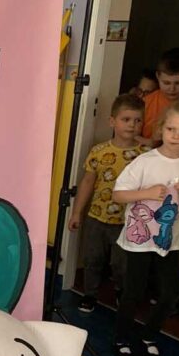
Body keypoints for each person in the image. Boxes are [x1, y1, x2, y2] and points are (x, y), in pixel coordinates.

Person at [111, 98, 179, 356]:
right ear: (161, 128)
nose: (176, 135)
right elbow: (118, 194)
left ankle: (148, 336)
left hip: (170, 240)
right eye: (171, 129)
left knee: (170, 293)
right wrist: (146, 193)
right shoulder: (145, 161)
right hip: (140, 239)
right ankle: (121, 338)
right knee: (134, 291)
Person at [68, 93, 147, 313]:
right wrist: (77, 213)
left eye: (137, 120)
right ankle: (90, 294)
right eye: (126, 119)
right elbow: (87, 182)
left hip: (128, 220)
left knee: (121, 263)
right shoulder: (99, 151)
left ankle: (122, 291)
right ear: (112, 121)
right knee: (92, 258)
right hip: (97, 216)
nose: (132, 125)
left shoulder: (144, 155)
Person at [141, 48, 179, 142]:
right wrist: (153, 142)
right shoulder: (145, 103)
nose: (172, 89)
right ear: (158, 76)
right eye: (166, 83)